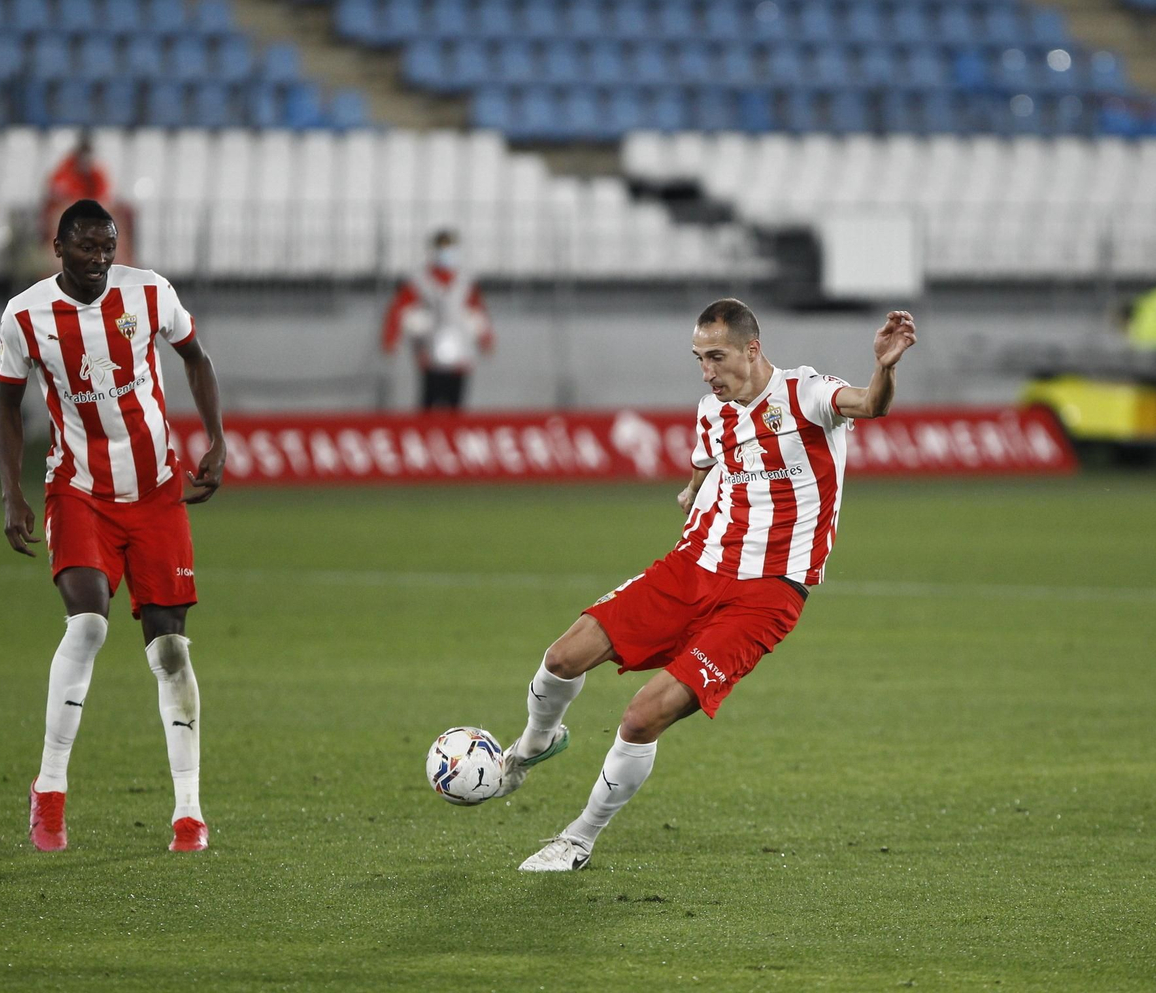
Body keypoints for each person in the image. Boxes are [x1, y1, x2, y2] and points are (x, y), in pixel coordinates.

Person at [494, 299, 916, 872]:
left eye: (715, 357)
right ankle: (535, 742)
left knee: (642, 716)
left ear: (751, 349)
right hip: (693, 566)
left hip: (766, 594)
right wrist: (692, 491)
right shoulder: (712, 410)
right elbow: (705, 458)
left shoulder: (805, 394)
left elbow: (869, 405)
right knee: (561, 658)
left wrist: (884, 367)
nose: (706, 372)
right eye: (698, 358)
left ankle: (578, 839)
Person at [0, 199, 227, 854]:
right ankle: (50, 789)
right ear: (58, 248)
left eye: (107, 247)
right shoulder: (25, 315)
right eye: (86, 246)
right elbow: (7, 406)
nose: (99, 258)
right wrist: (12, 493)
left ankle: (189, 812)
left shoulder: (149, 293)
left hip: (156, 493)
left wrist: (217, 438)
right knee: (88, 625)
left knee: (171, 650)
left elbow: (197, 357)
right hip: (79, 491)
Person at [380, 229, 493, 411]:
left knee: (456, 406)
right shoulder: (420, 281)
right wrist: (390, 340)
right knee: (428, 403)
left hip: (460, 354)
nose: (446, 254)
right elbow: (398, 309)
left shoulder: (465, 282)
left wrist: (486, 340)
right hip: (430, 353)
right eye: (442, 248)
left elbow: (478, 311)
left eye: (450, 248)